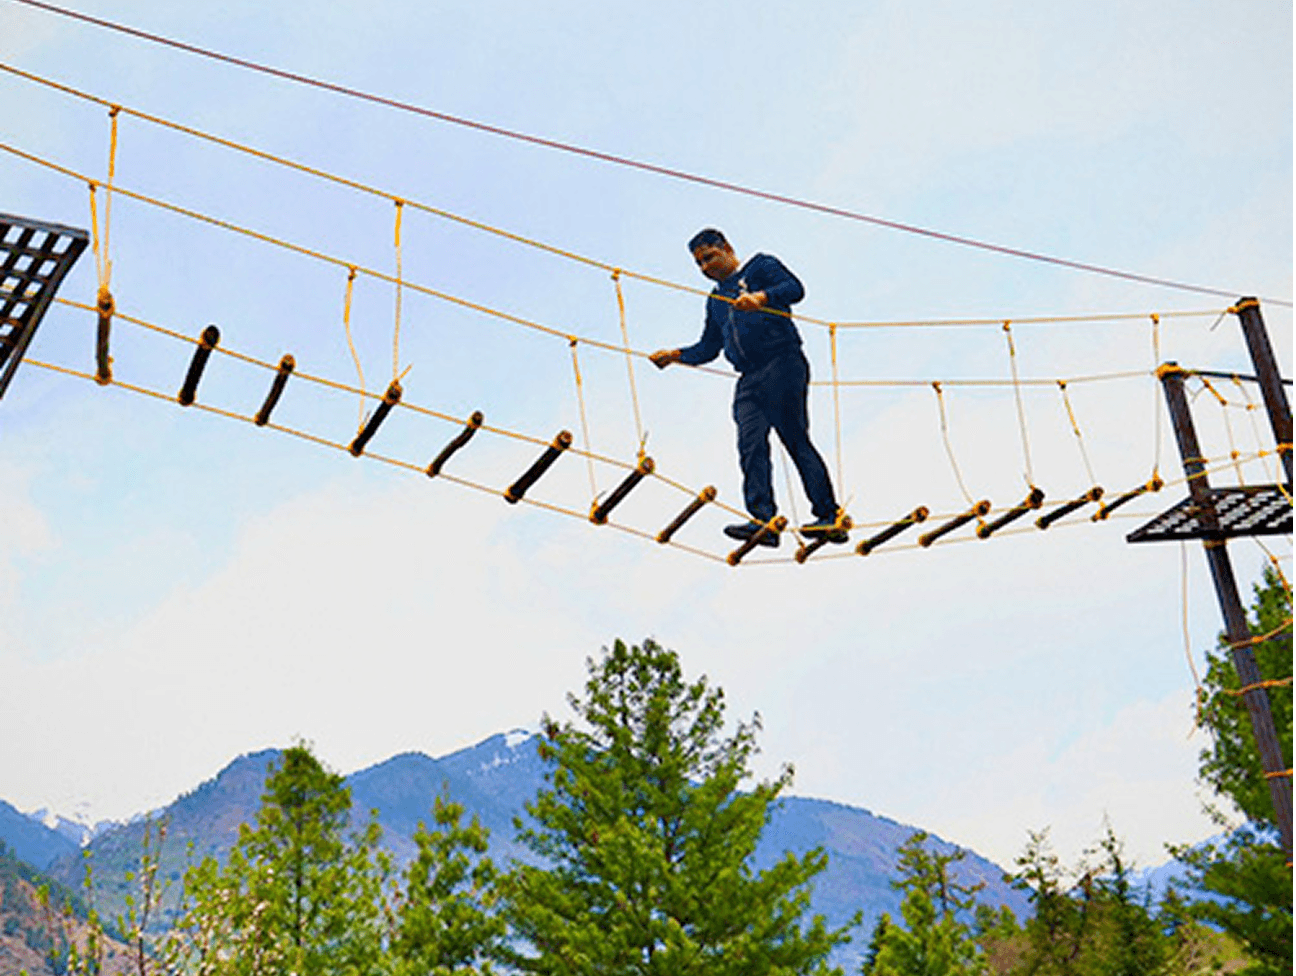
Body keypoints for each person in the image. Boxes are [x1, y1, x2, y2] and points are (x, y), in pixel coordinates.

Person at [650, 228, 846, 547]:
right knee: (749, 445)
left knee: (794, 438)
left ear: (727, 248)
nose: (705, 267)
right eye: (699, 263)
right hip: (748, 378)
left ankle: (829, 515)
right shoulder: (715, 301)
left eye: (709, 257)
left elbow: (795, 289)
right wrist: (676, 356)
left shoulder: (760, 266)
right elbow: (708, 347)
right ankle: (763, 521)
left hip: (781, 361)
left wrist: (761, 298)